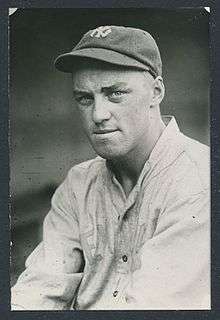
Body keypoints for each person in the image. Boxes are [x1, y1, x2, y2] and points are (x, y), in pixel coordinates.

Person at [11, 25, 210, 310]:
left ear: (156, 92)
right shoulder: (79, 184)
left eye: (115, 93)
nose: (98, 115)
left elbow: (152, 306)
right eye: (85, 98)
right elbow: (39, 289)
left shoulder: (200, 180)